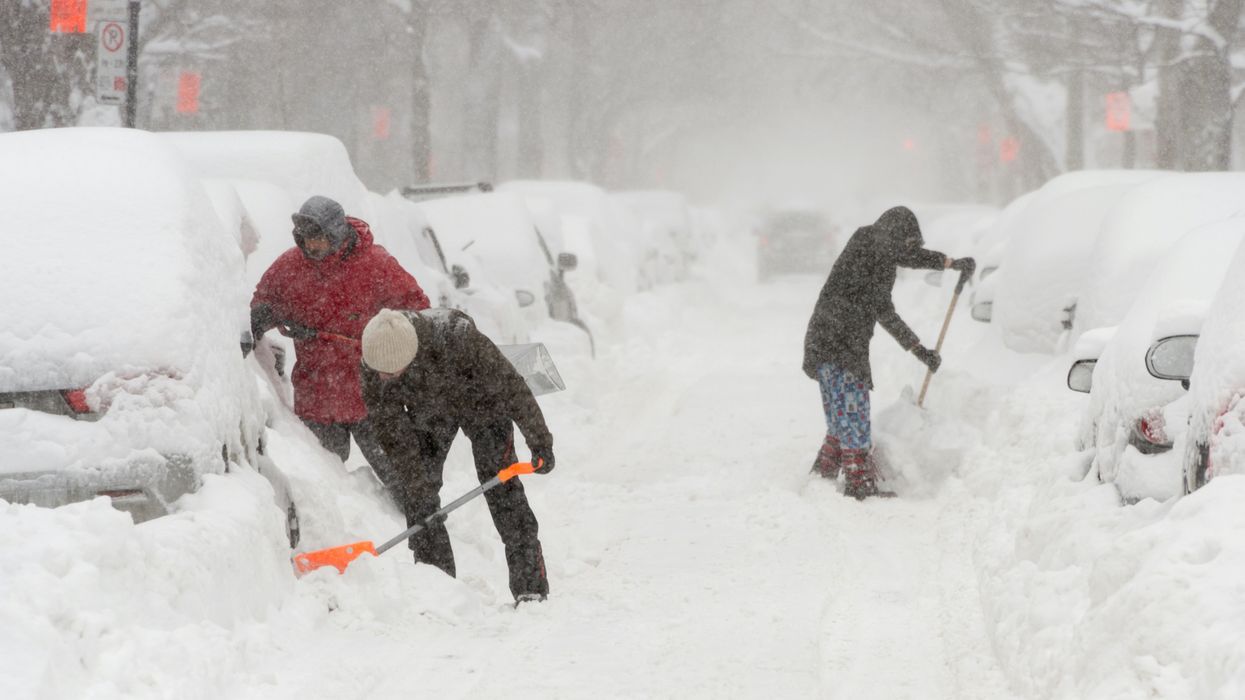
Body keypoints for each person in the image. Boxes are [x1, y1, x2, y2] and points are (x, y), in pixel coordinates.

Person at [359, 307, 554, 604]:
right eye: (379, 373)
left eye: (391, 373)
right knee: (418, 498)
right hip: (430, 413)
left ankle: (530, 585)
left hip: (482, 403)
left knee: (501, 485)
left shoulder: (459, 338)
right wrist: (418, 482)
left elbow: (512, 387)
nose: (383, 378)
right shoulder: (374, 360)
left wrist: (539, 440)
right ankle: (436, 586)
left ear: (410, 358)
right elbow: (391, 430)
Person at [250, 195, 430, 491]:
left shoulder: (376, 265)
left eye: (319, 238)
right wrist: (265, 315)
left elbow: (417, 310)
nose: (312, 246)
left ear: (336, 233)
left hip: (373, 394)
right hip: (318, 397)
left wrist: (388, 337)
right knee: (326, 490)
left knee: (406, 484)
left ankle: (423, 524)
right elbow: (263, 303)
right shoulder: (290, 267)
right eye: (305, 239)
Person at [803, 206, 974, 499]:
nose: (907, 250)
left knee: (840, 411)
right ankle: (859, 483)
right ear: (894, 235)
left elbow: (906, 256)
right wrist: (919, 350)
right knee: (854, 411)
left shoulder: (871, 244)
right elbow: (885, 312)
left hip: (826, 341)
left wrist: (949, 263)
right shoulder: (871, 250)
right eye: (906, 242)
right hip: (841, 342)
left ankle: (826, 468)